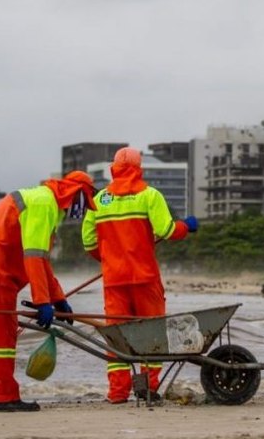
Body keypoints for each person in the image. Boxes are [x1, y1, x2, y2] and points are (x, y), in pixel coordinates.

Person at [0, 171, 98, 413]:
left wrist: (57, 299)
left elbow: (42, 260)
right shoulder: (44, 204)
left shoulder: (43, 200)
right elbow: (35, 257)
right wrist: (42, 301)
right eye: (84, 204)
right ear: (75, 193)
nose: (81, 212)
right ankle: (3, 397)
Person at [82, 147, 199, 404]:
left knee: (117, 336)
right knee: (153, 333)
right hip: (145, 278)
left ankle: (117, 393)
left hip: (114, 281)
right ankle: (147, 388)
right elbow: (166, 230)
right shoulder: (149, 195)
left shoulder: (100, 200)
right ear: (138, 168)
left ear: (113, 168)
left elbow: (88, 241)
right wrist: (186, 226)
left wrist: (108, 260)